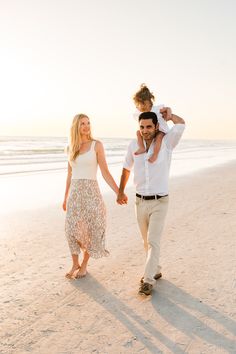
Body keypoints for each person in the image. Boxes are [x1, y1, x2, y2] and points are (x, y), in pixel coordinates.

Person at [117, 110, 185, 295]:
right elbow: (126, 168)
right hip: (139, 202)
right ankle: (156, 269)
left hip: (160, 201)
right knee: (146, 242)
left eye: (149, 126)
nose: (145, 130)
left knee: (153, 241)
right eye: (142, 127)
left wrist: (170, 115)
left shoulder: (167, 143)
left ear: (156, 126)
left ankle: (147, 281)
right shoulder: (133, 145)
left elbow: (181, 124)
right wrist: (120, 191)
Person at [63, 113, 119, 279]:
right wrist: (65, 197)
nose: (86, 126)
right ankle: (75, 262)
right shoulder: (69, 148)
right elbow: (69, 174)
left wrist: (119, 192)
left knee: (90, 230)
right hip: (75, 194)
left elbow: (105, 172)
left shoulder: (97, 145)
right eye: (82, 124)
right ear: (76, 127)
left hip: (91, 193)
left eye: (88, 123)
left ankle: (84, 264)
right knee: (70, 229)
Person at [133, 84, 172, 163]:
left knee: (159, 138)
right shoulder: (142, 113)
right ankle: (142, 147)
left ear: (149, 102)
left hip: (160, 130)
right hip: (151, 131)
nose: (141, 107)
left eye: (143, 104)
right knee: (138, 132)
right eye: (139, 105)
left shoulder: (157, 109)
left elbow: (168, 108)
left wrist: (169, 115)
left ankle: (155, 154)